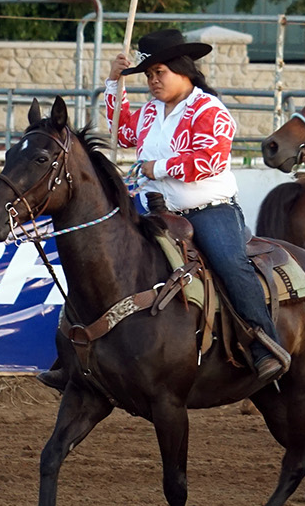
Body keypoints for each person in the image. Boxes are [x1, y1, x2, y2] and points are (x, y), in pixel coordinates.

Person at [107, 28, 290, 385]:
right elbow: (121, 132)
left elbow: (209, 160)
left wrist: (154, 167)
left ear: (183, 70)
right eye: (148, 75)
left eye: (159, 73)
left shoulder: (210, 111)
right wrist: (114, 83)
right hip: (155, 210)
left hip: (208, 210)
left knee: (229, 264)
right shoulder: (149, 112)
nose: (153, 81)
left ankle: (265, 344)